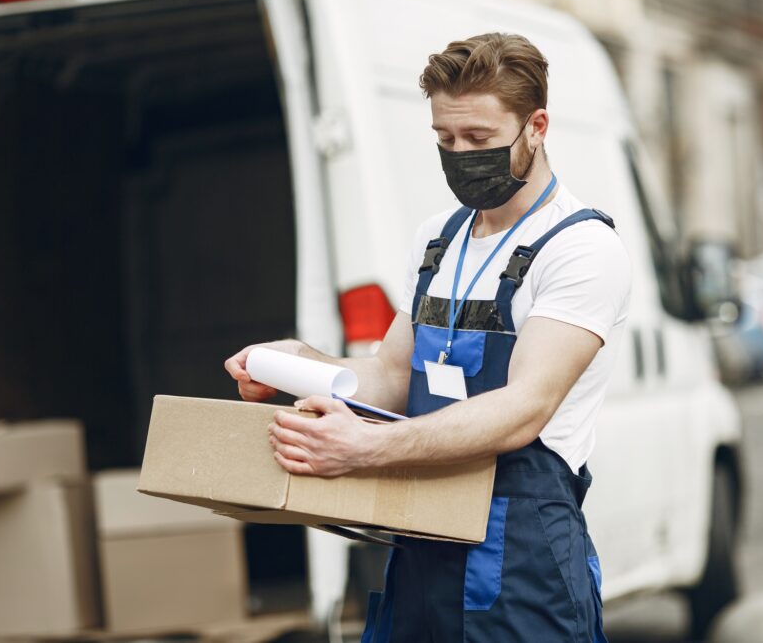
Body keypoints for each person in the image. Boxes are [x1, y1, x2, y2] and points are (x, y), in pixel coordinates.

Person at [225, 32, 631, 643]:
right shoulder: (438, 239)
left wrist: (362, 449)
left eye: (479, 140)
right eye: (445, 139)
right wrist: (298, 363)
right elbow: (392, 373)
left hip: (520, 557)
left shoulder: (580, 248)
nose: (460, 154)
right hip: (419, 538)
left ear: (537, 126)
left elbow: (524, 409)